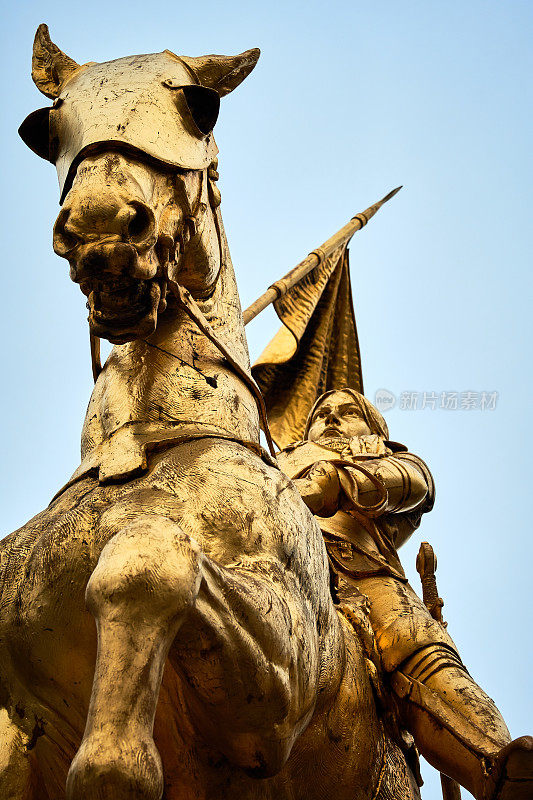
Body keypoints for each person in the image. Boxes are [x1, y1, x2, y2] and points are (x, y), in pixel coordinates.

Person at [277, 388, 532, 800]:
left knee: (414, 644)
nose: (330, 419)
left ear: (374, 428)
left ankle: (494, 766)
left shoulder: (392, 460)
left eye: (347, 412)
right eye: (321, 414)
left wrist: (336, 479)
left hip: (358, 571)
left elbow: (414, 485)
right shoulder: (273, 462)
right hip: (268, 554)